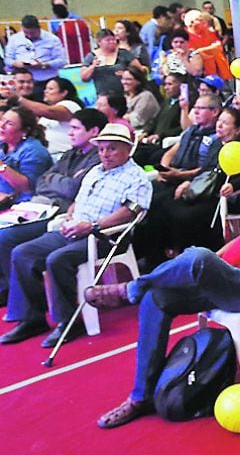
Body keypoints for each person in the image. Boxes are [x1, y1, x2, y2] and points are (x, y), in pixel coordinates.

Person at [86, 158, 240, 428]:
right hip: (225, 277)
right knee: (156, 298)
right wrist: (219, 259)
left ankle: (133, 287)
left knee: (197, 256)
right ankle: (141, 396)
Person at [0, 123, 152, 347]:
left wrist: (91, 226)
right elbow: (77, 202)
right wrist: (70, 219)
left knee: (57, 259)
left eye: (112, 149)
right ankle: (32, 319)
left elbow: (129, 212)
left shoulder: (136, 176)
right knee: (23, 253)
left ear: (127, 149)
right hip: (76, 228)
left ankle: (69, 322)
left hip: (106, 236)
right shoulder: (94, 171)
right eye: (101, 149)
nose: (105, 154)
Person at [0, 109, 105, 308]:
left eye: (75, 128)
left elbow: (73, 188)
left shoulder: (97, 158)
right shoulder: (70, 154)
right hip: (39, 206)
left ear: (93, 131)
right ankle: (15, 296)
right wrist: (60, 181)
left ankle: (15, 296)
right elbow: (41, 182)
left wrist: (55, 180)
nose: (70, 133)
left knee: (5, 237)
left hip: (60, 213)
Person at [135, 108, 240, 263]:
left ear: (238, 129)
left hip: (224, 197)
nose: (219, 125)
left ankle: (188, 256)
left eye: (225, 123)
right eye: (219, 121)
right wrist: (188, 181)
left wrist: (233, 186)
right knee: (161, 203)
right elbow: (205, 170)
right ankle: (158, 253)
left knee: (182, 215)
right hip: (203, 191)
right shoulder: (217, 143)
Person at [14, 77, 83, 159]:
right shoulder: (45, 114)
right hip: (43, 155)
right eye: (46, 88)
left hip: (63, 156)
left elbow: (49, 112)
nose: (45, 91)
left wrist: (18, 99)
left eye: (50, 89)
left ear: (64, 92)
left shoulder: (70, 105)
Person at [0, 106, 54, 204]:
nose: (2, 126)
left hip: (21, 205)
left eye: (9, 124)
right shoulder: (3, 144)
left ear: (24, 131)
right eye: (2, 120)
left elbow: (27, 187)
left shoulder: (34, 151)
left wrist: (1, 166)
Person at [4, 16, 67, 94]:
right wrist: (16, 64)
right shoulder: (14, 39)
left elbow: (62, 61)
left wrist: (44, 65)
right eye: (26, 33)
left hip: (46, 80)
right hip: (22, 82)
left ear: (39, 28)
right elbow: (7, 59)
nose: (30, 36)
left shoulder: (52, 39)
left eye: (33, 33)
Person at [81, 29, 138, 95]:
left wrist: (126, 74)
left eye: (113, 39)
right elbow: (84, 78)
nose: (112, 42)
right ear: (99, 42)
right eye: (108, 40)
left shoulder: (124, 53)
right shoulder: (91, 56)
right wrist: (93, 66)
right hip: (103, 96)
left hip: (125, 94)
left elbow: (139, 71)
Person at [184, 9, 231, 80]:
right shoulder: (184, 35)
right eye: (199, 20)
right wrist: (205, 51)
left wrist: (201, 50)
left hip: (215, 72)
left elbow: (218, 47)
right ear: (191, 22)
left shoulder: (209, 32)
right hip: (196, 74)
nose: (203, 22)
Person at [120, 67, 160, 136]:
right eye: (123, 79)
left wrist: (123, 118)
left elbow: (137, 120)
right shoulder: (124, 96)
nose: (124, 82)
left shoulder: (146, 96)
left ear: (138, 81)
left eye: (128, 79)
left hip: (142, 134)